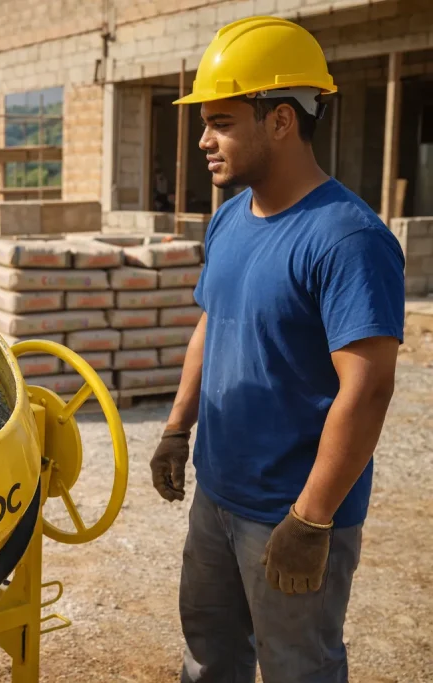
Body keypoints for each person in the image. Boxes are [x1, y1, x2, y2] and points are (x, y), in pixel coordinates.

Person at [148, 16, 405, 683]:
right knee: (209, 657)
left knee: (298, 669)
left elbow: (369, 386)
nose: (204, 140)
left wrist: (312, 518)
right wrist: (179, 427)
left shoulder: (347, 239)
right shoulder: (232, 217)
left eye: (223, 122)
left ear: (282, 121)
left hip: (290, 513)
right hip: (219, 495)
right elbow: (214, 321)